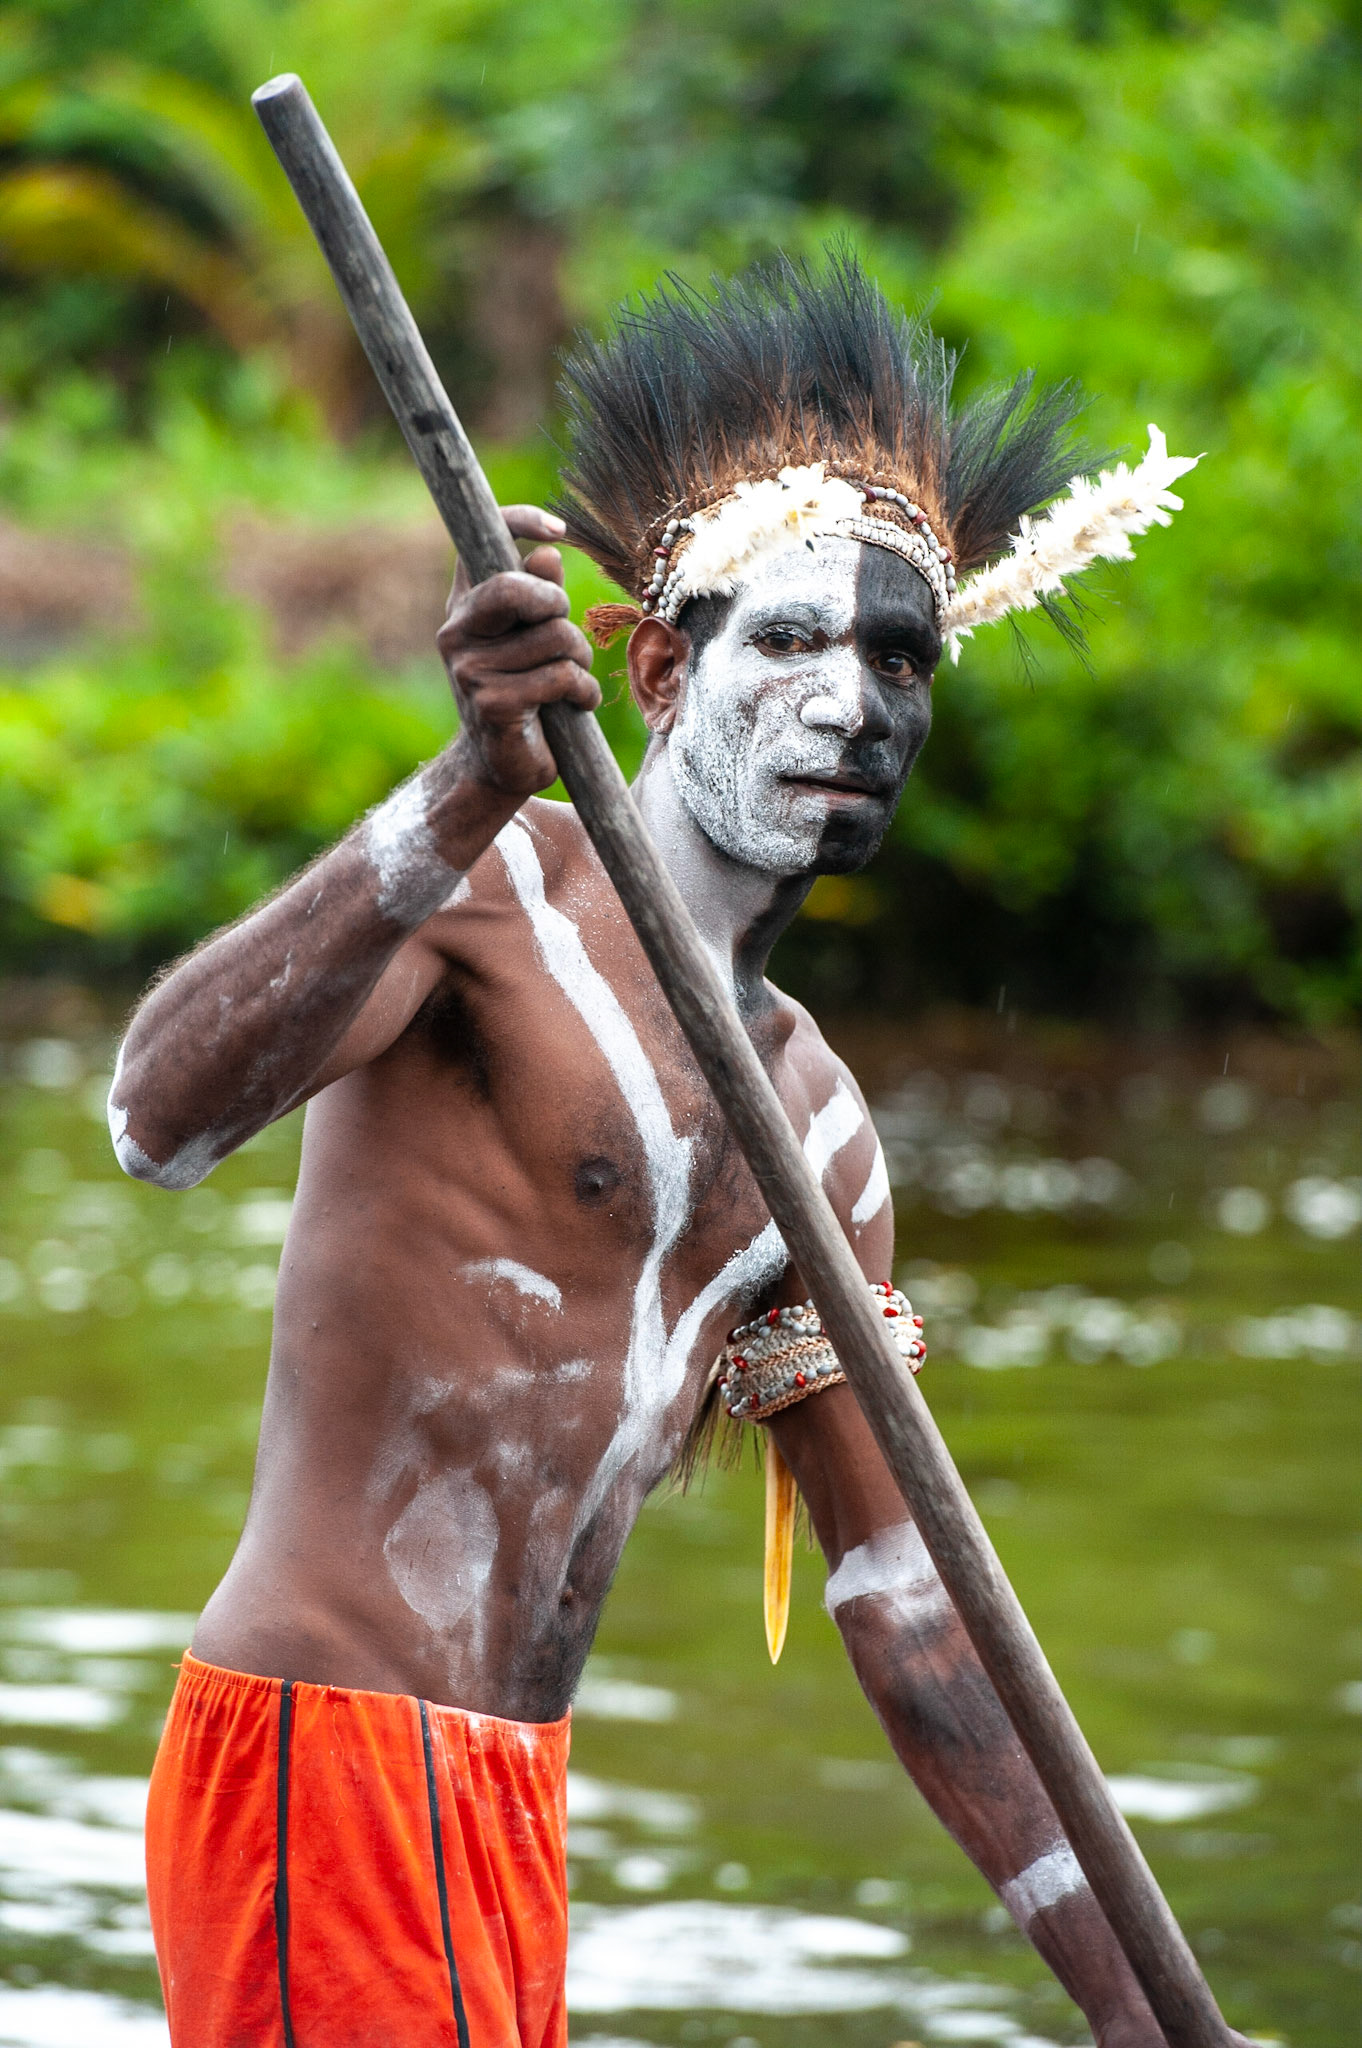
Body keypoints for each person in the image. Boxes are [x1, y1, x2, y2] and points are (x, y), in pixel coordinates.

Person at [111, 256, 1205, 2047]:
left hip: (513, 1804)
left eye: (900, 657)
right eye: (790, 642)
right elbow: (153, 1120)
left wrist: (1130, 2013)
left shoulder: (823, 1132)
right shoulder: (489, 897)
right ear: (659, 666)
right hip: (322, 1749)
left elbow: (913, 1610)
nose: (854, 705)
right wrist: (467, 776)